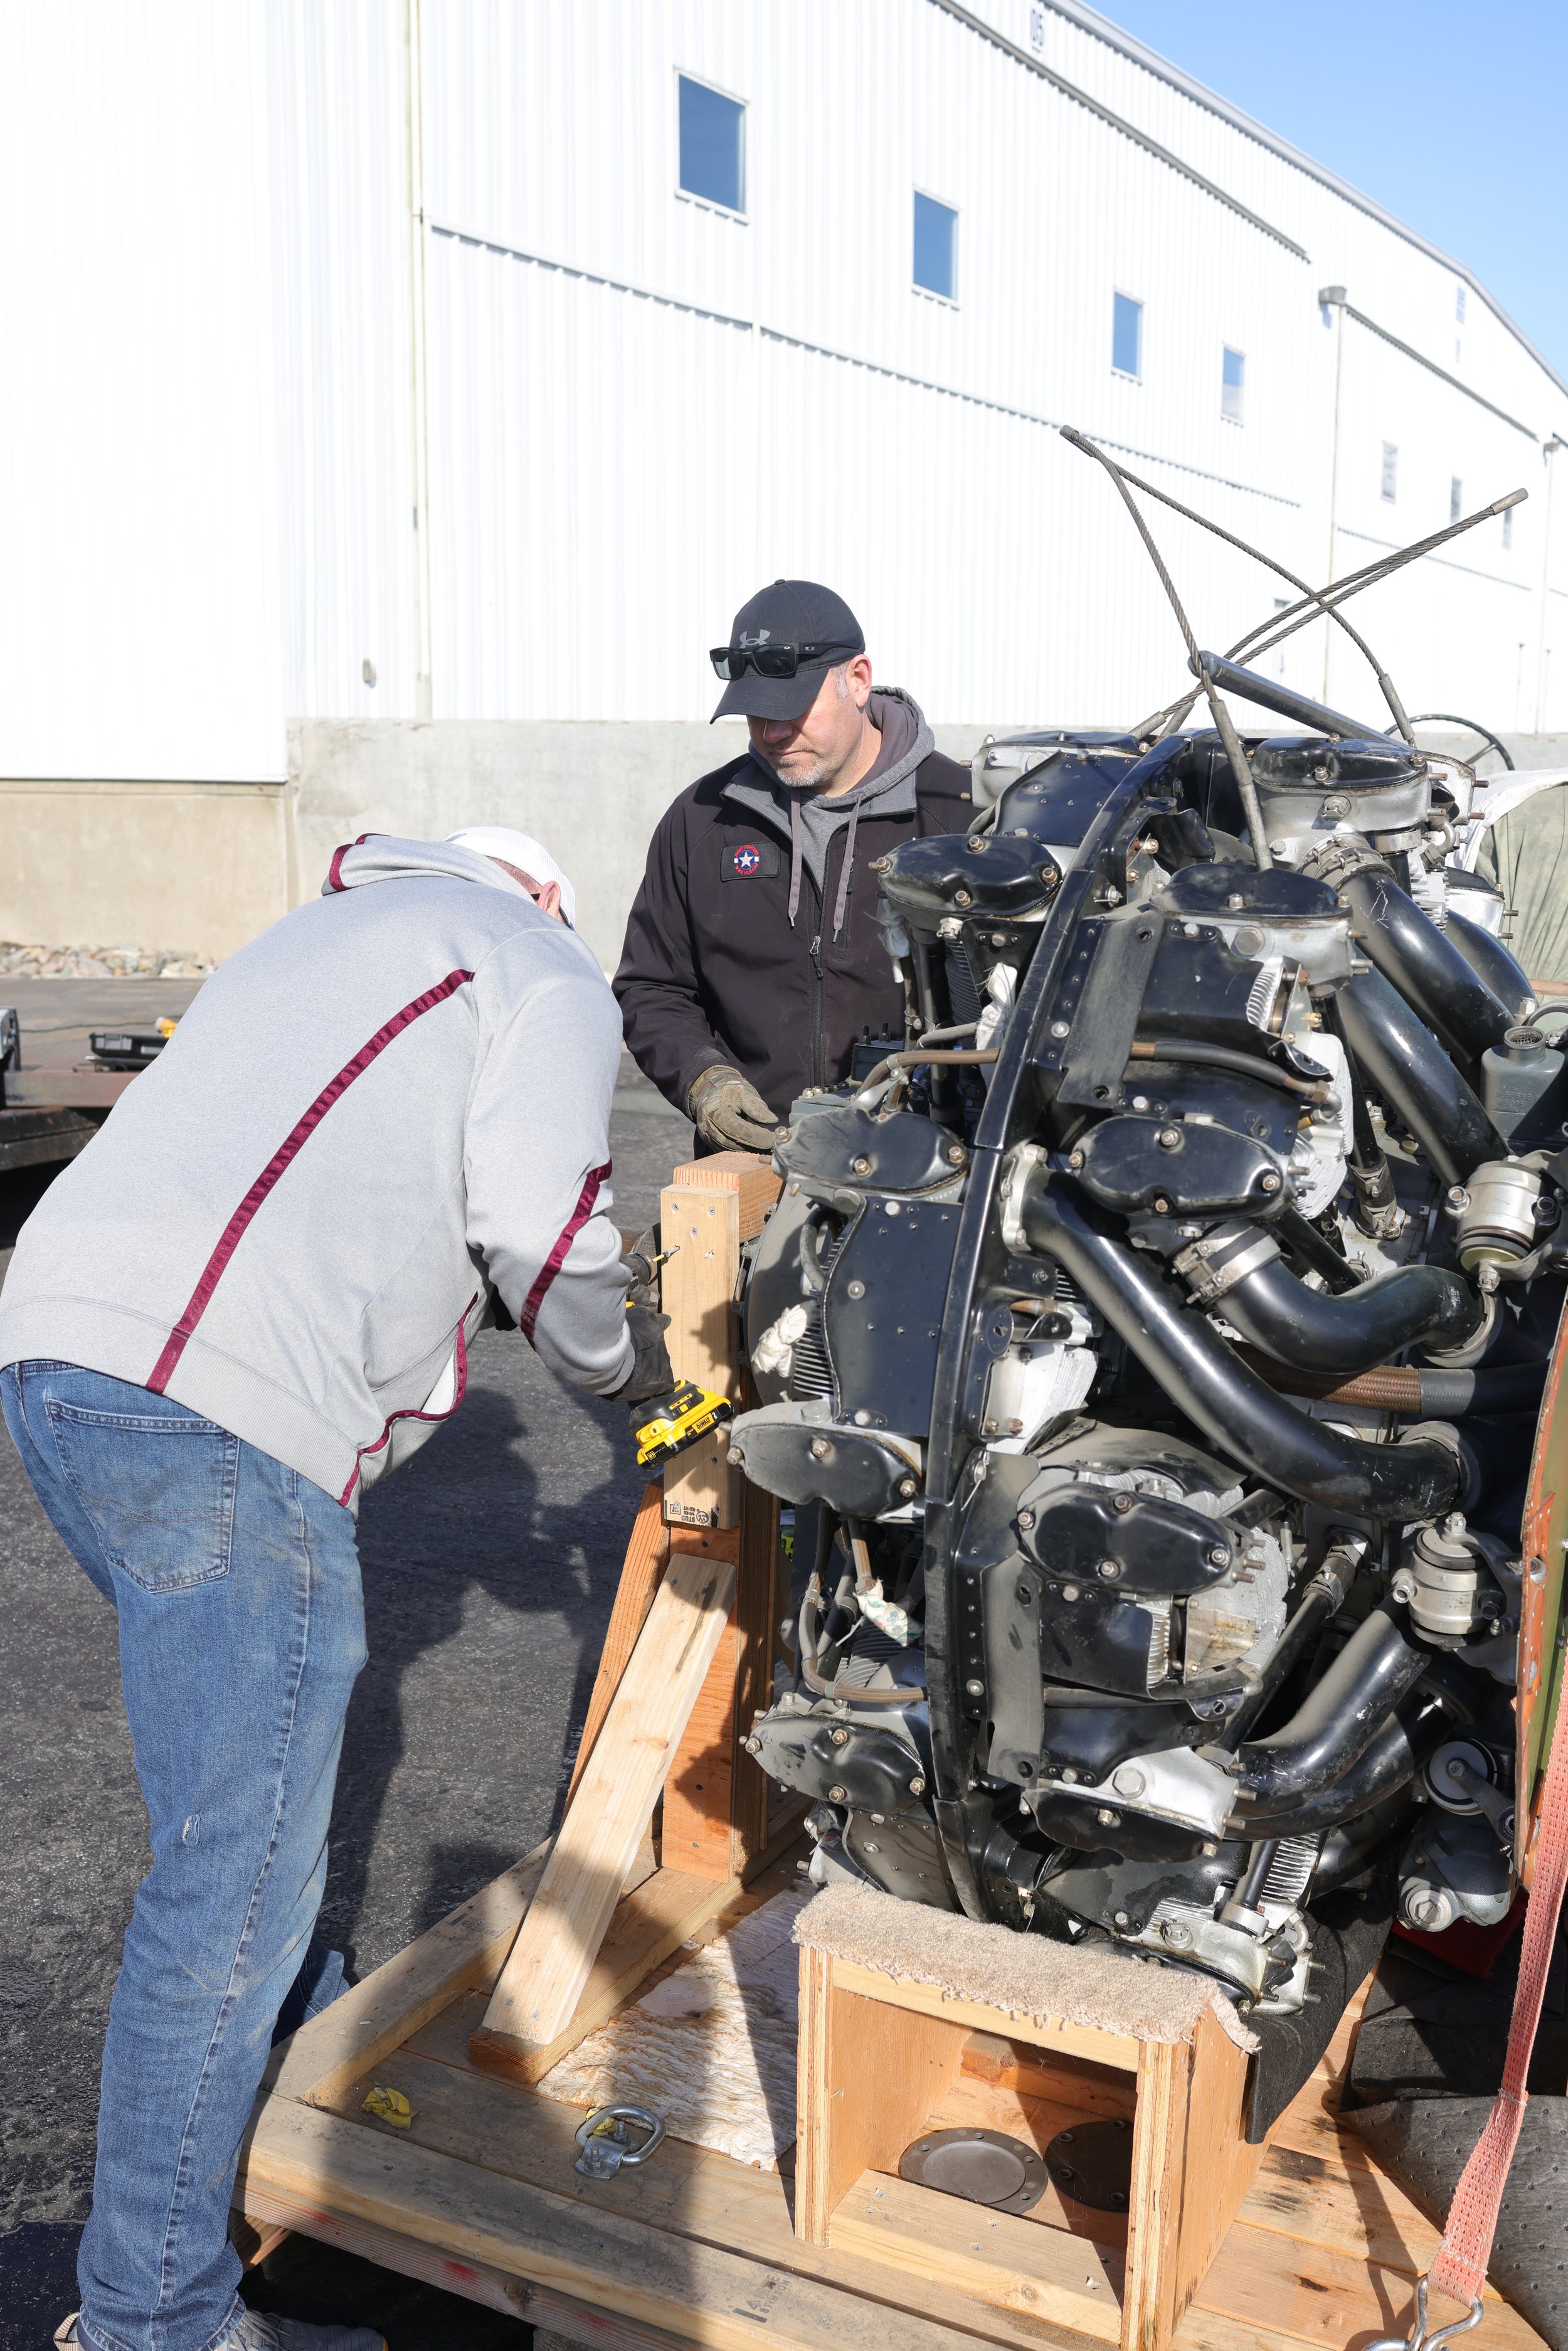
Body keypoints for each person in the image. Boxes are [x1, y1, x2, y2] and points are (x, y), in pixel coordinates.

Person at [0, 827, 672, 2351]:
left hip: (56, 1357)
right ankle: (152, 2318)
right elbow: (544, 1225)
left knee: (248, 1849)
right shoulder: (535, 965)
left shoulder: (302, 945)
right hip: (224, 1403)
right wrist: (651, 1403)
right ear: (550, 897)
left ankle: (304, 2201)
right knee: (229, 1891)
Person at [614, 580, 973, 1149]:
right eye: (755, 712)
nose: (773, 733)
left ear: (858, 680)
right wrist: (703, 1080)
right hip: (753, 1164)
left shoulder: (963, 819)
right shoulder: (704, 820)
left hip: (926, 1172)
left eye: (794, 709)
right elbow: (653, 987)